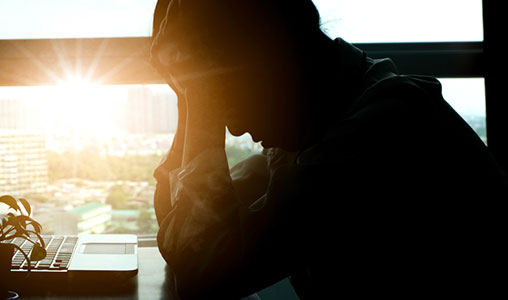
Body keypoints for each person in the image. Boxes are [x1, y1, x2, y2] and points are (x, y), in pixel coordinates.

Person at [150, 0, 507, 299]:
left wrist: (197, 96)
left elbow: (202, 277)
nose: (236, 128)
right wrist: (189, 91)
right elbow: (181, 234)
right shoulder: (324, 127)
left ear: (271, 61)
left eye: (226, 101)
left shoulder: (379, 135)